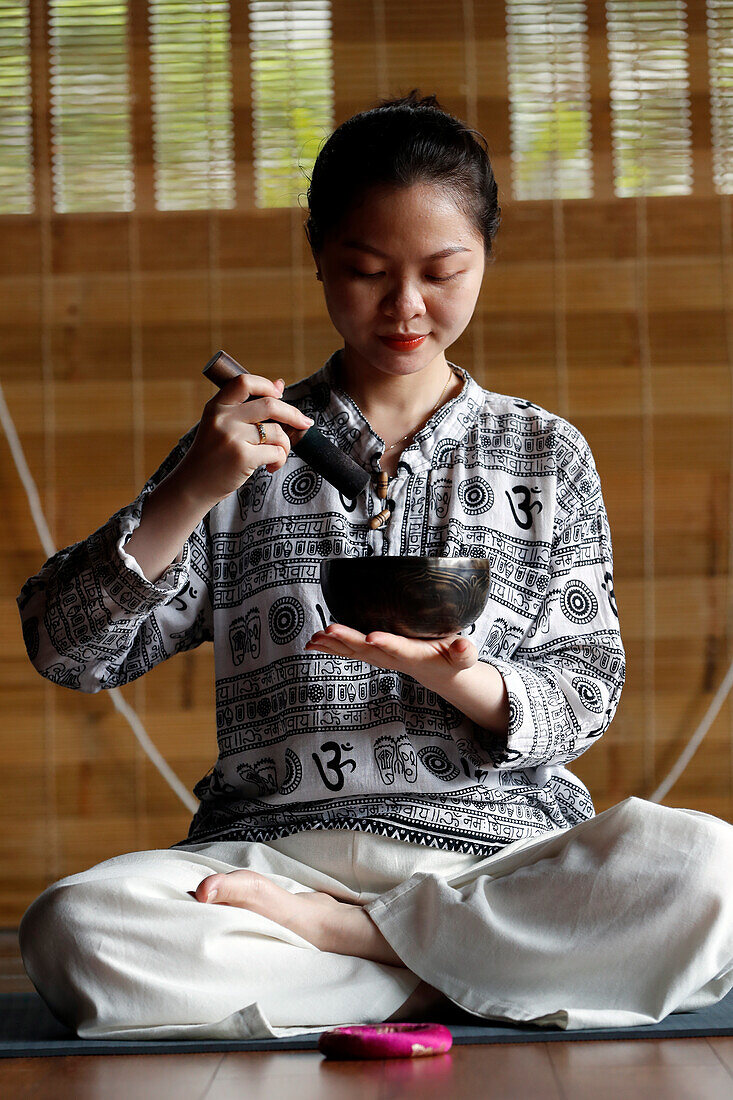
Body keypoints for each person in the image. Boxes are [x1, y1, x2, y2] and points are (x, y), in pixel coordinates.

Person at [16, 91, 733, 1041]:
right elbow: (68, 651)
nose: (405, 309)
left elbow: (587, 688)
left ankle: (363, 949)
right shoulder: (246, 448)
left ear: (485, 256)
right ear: (318, 255)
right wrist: (192, 486)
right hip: (274, 858)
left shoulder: (543, 451)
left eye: (443, 272)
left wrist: (469, 681)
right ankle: (450, 977)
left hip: (492, 863)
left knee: (705, 871)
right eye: (365, 272)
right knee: (75, 931)